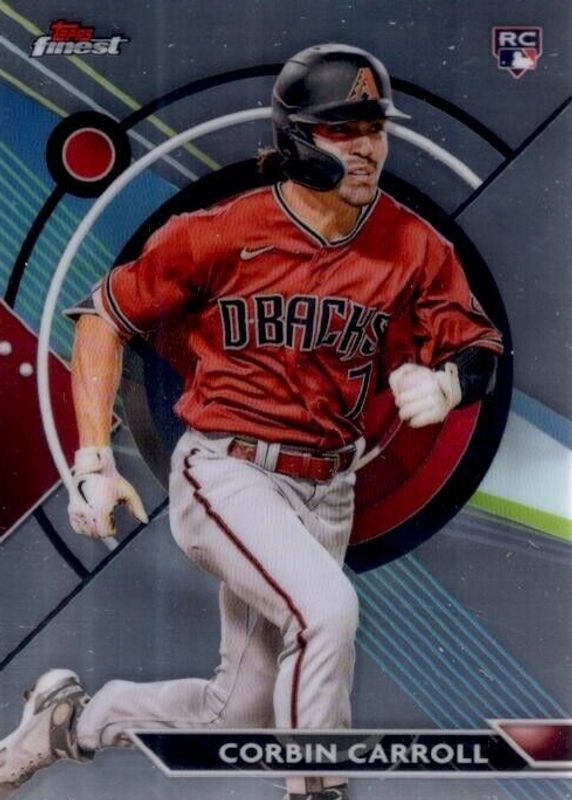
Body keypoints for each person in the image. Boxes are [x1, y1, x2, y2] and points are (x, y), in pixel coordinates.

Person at [0, 43, 503, 799]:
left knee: (238, 713)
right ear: (298, 138)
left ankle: (70, 721)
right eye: (343, 128)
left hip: (328, 490)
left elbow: (478, 345)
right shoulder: (221, 231)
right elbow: (104, 318)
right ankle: (317, 790)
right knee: (326, 613)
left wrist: (451, 382)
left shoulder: (414, 245)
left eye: (374, 127)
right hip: (229, 471)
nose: (366, 146)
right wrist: (94, 463)